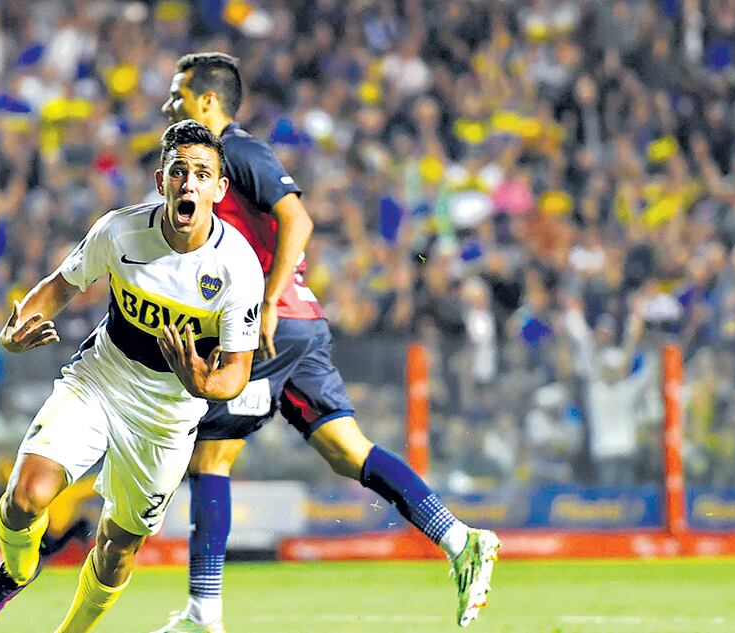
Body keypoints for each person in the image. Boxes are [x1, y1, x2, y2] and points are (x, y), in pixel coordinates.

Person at [154, 52, 500, 632]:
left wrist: (264, 302)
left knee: (210, 455)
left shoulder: (237, 151)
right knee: (348, 450)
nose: (169, 105)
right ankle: (460, 539)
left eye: (178, 95)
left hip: (273, 324)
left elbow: (299, 220)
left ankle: (202, 616)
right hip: (299, 324)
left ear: (208, 102)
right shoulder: (212, 167)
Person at [0, 120, 264, 633]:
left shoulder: (238, 269)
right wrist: (15, 330)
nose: (189, 183)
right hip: (101, 379)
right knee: (24, 497)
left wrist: (201, 385)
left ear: (219, 189)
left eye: (202, 174)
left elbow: (236, 373)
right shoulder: (120, 230)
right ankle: (15, 572)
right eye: (180, 172)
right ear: (162, 178)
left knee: (117, 550)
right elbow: (59, 285)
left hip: (168, 415)